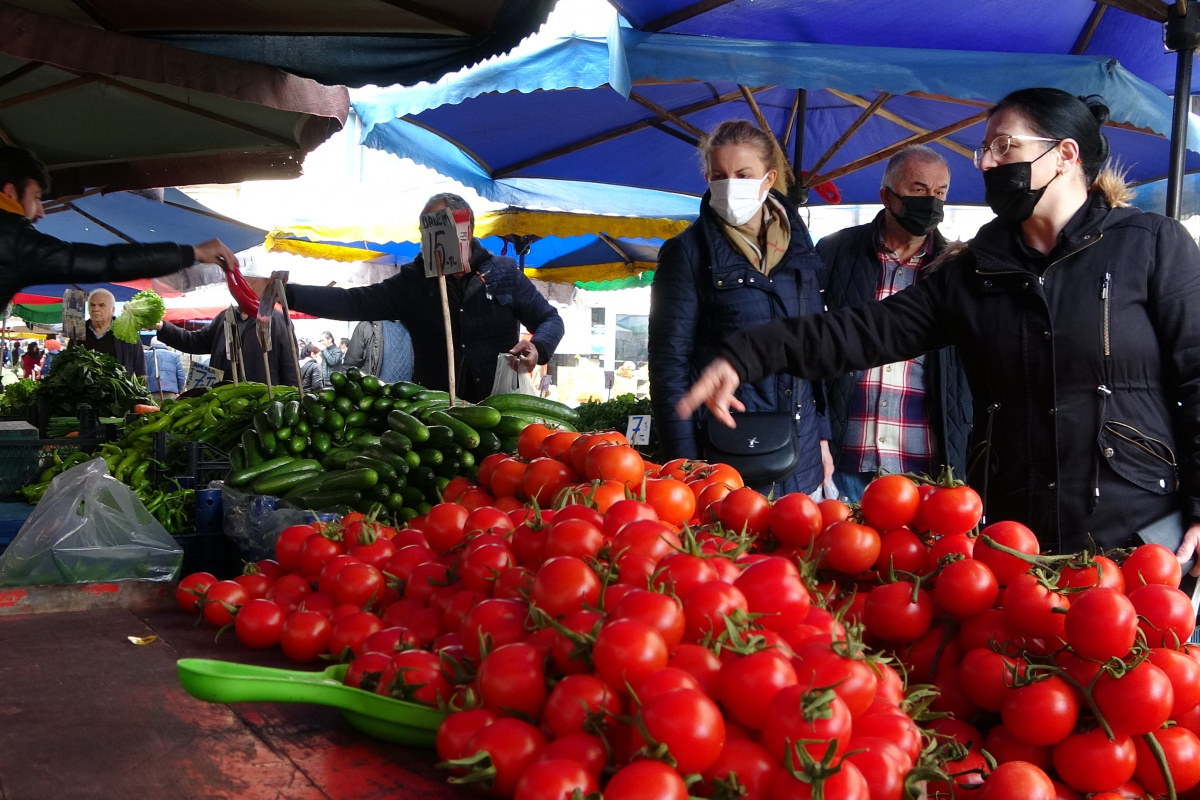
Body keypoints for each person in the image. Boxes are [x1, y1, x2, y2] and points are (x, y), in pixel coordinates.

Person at [678, 88, 1200, 564]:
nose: (988, 163)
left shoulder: (1151, 245)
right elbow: (864, 331)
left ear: (1065, 154)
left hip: (1142, 534)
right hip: (1016, 539)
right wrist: (750, 351)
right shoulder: (975, 271)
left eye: (1004, 147)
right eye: (984, 151)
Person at [648, 120, 833, 497]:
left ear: (769, 179)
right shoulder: (686, 253)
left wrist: (824, 438)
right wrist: (686, 469)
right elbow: (669, 370)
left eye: (743, 174)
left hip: (802, 455)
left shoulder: (800, 247)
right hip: (723, 460)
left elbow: (816, 348)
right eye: (719, 175)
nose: (730, 185)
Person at [283, 193, 565, 404]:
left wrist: (538, 348)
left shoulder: (504, 273)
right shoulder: (413, 282)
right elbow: (353, 302)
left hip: (499, 403)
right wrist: (290, 294)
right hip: (435, 409)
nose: (430, 241)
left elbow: (550, 319)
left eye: (439, 230)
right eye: (425, 232)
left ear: (465, 231)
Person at [816, 145, 973, 501]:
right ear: (887, 195)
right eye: (919, 190)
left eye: (940, 192)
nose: (931, 201)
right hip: (844, 456)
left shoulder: (956, 268)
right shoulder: (836, 251)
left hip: (927, 462)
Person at [0, 145, 239, 310]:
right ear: (10, 192)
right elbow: (107, 262)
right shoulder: (14, 241)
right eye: (37, 197)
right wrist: (192, 253)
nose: (40, 210)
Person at [155, 263, 297, 386]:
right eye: (244, 282)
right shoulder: (226, 316)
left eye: (252, 283)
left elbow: (290, 368)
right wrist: (162, 326)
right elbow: (195, 341)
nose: (245, 287)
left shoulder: (278, 320)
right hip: (223, 399)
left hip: (262, 403)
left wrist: (292, 401)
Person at [69, 288, 146, 376]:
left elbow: (141, 370)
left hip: (118, 388)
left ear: (112, 310)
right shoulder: (77, 332)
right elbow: (68, 363)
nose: (96, 309)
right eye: (92, 305)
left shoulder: (128, 333)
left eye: (102, 305)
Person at [344, 320, 415, 383]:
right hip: (372, 396)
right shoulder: (366, 326)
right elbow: (348, 368)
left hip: (408, 396)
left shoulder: (418, 327)